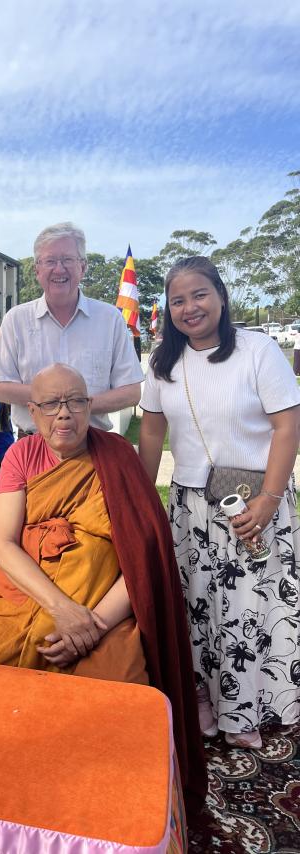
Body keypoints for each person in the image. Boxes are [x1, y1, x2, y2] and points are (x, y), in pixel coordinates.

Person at [0, 363, 206, 815]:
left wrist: (91, 625)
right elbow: (3, 544)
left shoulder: (118, 456)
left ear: (90, 406)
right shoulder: (21, 456)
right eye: (51, 404)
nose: (64, 414)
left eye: (75, 401)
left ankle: (103, 804)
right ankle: (1, 791)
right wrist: (63, 610)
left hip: (105, 606)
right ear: (33, 411)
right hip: (30, 594)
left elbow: (144, 559)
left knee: (118, 689)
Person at [139, 256, 300, 750]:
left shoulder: (258, 350)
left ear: (221, 297)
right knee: (196, 607)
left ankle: (244, 710)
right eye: (178, 300)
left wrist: (270, 498)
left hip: (254, 503)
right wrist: (142, 499)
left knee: (248, 610)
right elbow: (151, 432)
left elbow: (288, 425)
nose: (190, 308)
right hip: (191, 508)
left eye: (199, 295)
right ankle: (203, 698)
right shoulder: (163, 362)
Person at [0, 222, 143, 437]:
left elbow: (131, 392)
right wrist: (61, 402)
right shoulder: (16, 320)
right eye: (50, 261)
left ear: (83, 267)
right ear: (37, 270)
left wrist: (76, 406)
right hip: (33, 444)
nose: (59, 269)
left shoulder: (110, 319)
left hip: (93, 443)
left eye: (68, 260)